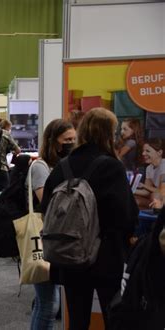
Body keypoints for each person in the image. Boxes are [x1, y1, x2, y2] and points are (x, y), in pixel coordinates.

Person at [40, 108, 138, 329]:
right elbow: (125, 215)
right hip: (106, 255)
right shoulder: (112, 167)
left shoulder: (62, 167)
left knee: (77, 318)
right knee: (112, 315)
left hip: (69, 255)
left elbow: (46, 207)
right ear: (106, 134)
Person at [29, 119, 76, 330]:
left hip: (56, 237)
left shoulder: (63, 165)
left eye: (74, 139)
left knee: (46, 302)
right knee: (49, 304)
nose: (71, 143)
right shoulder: (40, 166)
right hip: (43, 236)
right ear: (53, 141)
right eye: (67, 140)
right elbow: (47, 203)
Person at [135, 139, 165, 209]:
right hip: (160, 198)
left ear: (159, 152)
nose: (143, 153)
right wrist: (130, 190)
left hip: (162, 196)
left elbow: (162, 191)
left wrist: (143, 185)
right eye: (143, 151)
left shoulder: (164, 165)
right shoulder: (149, 168)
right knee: (132, 199)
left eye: (147, 151)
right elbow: (146, 192)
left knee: (155, 196)